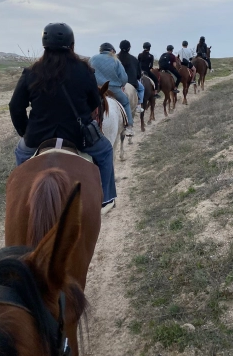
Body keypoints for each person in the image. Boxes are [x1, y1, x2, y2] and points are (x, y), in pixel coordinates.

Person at [8, 22, 117, 214]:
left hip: (37, 136)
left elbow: (15, 107)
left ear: (44, 46)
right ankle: (106, 198)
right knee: (106, 151)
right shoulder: (85, 71)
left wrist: (25, 132)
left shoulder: (31, 73)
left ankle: (19, 195)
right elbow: (94, 102)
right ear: (72, 45)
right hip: (77, 136)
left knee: (22, 153)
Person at [89, 42, 134, 137]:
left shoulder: (92, 58)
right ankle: (129, 126)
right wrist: (121, 85)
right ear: (112, 51)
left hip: (95, 90)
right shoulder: (115, 60)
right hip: (113, 89)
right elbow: (124, 78)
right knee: (125, 102)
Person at [117, 40, 144, 113]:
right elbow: (138, 75)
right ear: (129, 48)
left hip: (117, 83)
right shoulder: (134, 59)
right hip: (132, 82)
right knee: (141, 88)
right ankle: (138, 105)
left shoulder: (115, 58)